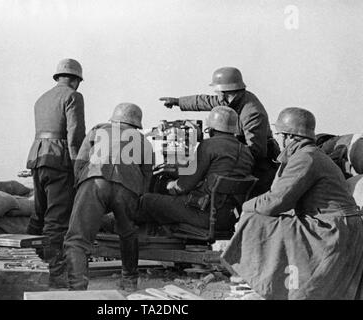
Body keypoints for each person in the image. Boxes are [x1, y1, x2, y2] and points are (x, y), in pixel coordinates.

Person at [221, 107, 363, 300]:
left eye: (281, 135)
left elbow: (275, 202)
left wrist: (245, 208)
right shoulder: (312, 154)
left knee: (255, 220)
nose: (280, 140)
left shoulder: (305, 158)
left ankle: (255, 277)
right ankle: (261, 277)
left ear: (291, 137)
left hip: (330, 229)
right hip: (337, 226)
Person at [64, 103, 153, 291]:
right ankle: (129, 282)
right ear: (136, 123)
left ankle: (78, 288)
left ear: (114, 118)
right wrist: (136, 198)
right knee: (128, 233)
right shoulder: (143, 140)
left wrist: (81, 188)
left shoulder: (98, 130)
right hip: (128, 187)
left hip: (95, 179)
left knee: (77, 239)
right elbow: (147, 177)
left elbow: (79, 163)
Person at [159, 67, 279, 196]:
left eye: (218, 92)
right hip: (241, 154)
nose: (217, 96)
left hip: (259, 167)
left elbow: (257, 151)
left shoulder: (252, 113)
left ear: (225, 92)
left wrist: (222, 151)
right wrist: (178, 102)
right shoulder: (231, 99)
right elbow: (205, 101)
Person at [137, 106, 254, 231]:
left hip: (203, 214)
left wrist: (166, 185)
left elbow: (183, 186)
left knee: (148, 200)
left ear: (210, 128)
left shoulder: (208, 146)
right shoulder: (246, 151)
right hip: (228, 218)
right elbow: (222, 174)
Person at [26, 58, 86, 287]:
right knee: (56, 220)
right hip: (59, 161)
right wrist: (77, 167)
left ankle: (28, 264)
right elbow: (75, 136)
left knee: (38, 215)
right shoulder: (73, 96)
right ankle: (55, 275)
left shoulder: (41, 98)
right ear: (75, 79)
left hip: (38, 158)